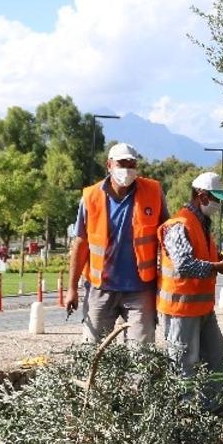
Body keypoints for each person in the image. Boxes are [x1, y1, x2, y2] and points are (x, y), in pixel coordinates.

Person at [66, 142, 169, 348]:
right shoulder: (91, 197)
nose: (127, 169)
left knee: (141, 354)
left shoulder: (153, 191)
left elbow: (167, 234)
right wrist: (72, 289)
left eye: (132, 164)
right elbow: (80, 244)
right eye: (122, 164)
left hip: (140, 290)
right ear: (109, 165)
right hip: (100, 289)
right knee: (92, 350)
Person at [158, 171, 223, 411]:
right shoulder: (179, 225)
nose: (218, 205)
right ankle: (185, 412)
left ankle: (210, 406)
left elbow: (202, 255)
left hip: (202, 308)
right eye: (215, 199)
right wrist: (216, 267)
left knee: (215, 354)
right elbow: (184, 265)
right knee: (184, 363)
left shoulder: (201, 225)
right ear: (202, 196)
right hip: (180, 308)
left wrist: (221, 259)